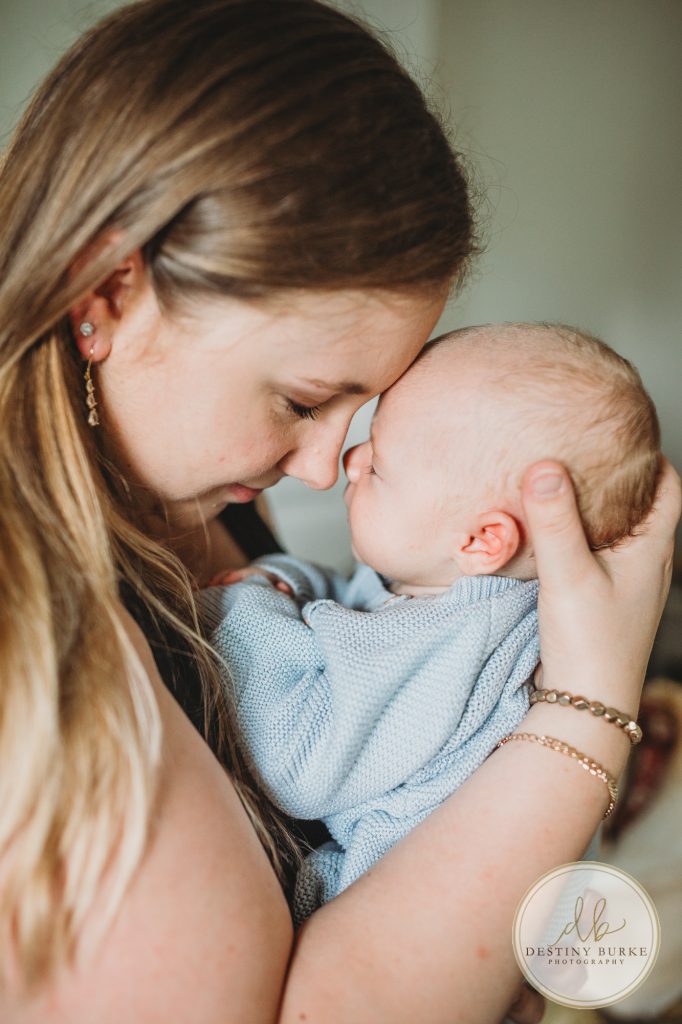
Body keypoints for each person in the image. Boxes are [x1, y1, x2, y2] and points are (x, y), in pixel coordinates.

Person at [0, 1, 678, 1021]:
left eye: (358, 410)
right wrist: (586, 711)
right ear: (105, 292)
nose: (323, 466)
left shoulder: (197, 508)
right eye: (302, 400)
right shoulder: (29, 635)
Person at [200, 322, 660, 923]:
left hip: (386, 919)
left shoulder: (448, 641)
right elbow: (352, 609)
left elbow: (299, 764)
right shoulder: (463, 598)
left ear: (481, 539)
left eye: (381, 465)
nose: (350, 460)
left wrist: (248, 607)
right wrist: (291, 580)